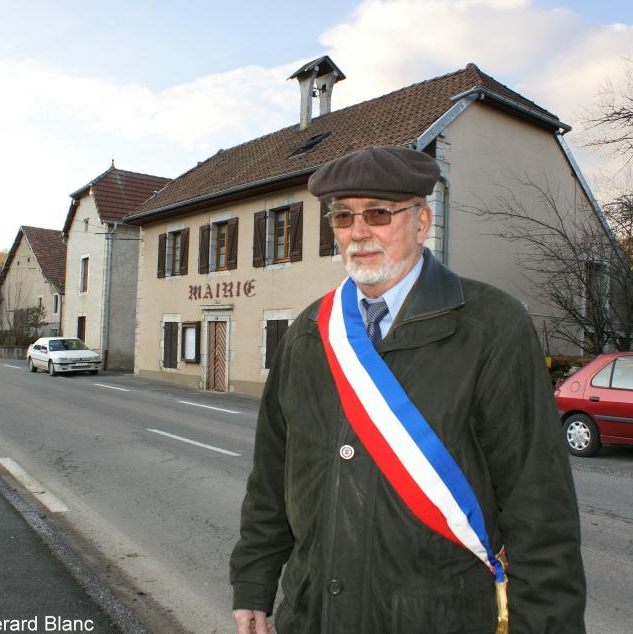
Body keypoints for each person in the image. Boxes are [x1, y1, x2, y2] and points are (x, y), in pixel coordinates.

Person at [229, 146, 586, 634]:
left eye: (377, 213)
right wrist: (254, 581)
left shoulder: (491, 327)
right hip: (313, 613)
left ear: (421, 223)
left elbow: (539, 504)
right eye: (342, 217)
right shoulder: (310, 331)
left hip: (440, 617)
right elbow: (271, 475)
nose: (357, 232)